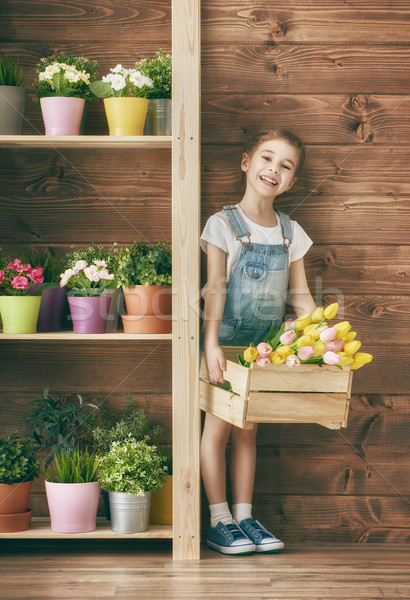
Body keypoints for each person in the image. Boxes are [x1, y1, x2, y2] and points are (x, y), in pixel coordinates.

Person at [200, 129, 316, 555]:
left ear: (291, 183)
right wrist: (211, 343)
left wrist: (314, 336)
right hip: (226, 343)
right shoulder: (222, 223)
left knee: (248, 430)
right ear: (246, 162)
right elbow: (214, 287)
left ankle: (245, 516)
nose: (274, 169)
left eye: (285, 166)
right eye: (267, 159)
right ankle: (218, 520)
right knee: (217, 430)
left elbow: (300, 294)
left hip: (265, 350)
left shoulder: (291, 232)